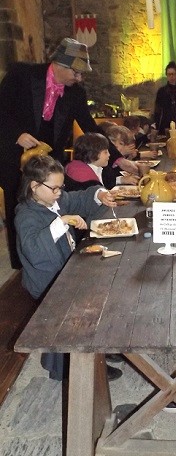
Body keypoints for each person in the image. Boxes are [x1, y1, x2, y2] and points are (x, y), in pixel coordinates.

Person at [0, 38, 137, 269]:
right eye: (76, 72)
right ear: (60, 64)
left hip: (48, 159)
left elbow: (90, 126)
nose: (79, 78)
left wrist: (119, 158)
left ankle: (55, 255)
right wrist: (17, 134)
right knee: (20, 207)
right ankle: (23, 266)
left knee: (52, 204)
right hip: (15, 156)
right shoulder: (21, 75)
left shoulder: (75, 93)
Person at [14, 155, 122, 381]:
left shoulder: (55, 201)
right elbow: (34, 251)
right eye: (54, 188)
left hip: (64, 269)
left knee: (101, 283)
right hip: (46, 280)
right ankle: (70, 368)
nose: (59, 192)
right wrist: (62, 222)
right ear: (34, 186)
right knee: (70, 323)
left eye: (61, 187)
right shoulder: (25, 215)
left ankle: (98, 346)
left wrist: (99, 194)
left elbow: (79, 198)